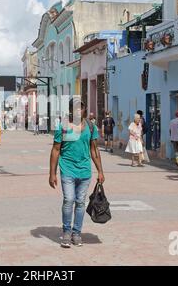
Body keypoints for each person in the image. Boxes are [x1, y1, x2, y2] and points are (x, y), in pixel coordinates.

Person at [49, 98, 105, 248]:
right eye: (75, 108)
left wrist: (100, 170)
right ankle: (66, 231)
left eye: (81, 108)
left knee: (80, 202)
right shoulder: (63, 126)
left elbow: (94, 150)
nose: (78, 111)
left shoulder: (91, 127)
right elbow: (55, 149)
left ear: (84, 109)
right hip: (67, 169)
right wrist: (52, 173)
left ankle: (77, 233)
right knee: (69, 199)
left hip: (85, 171)